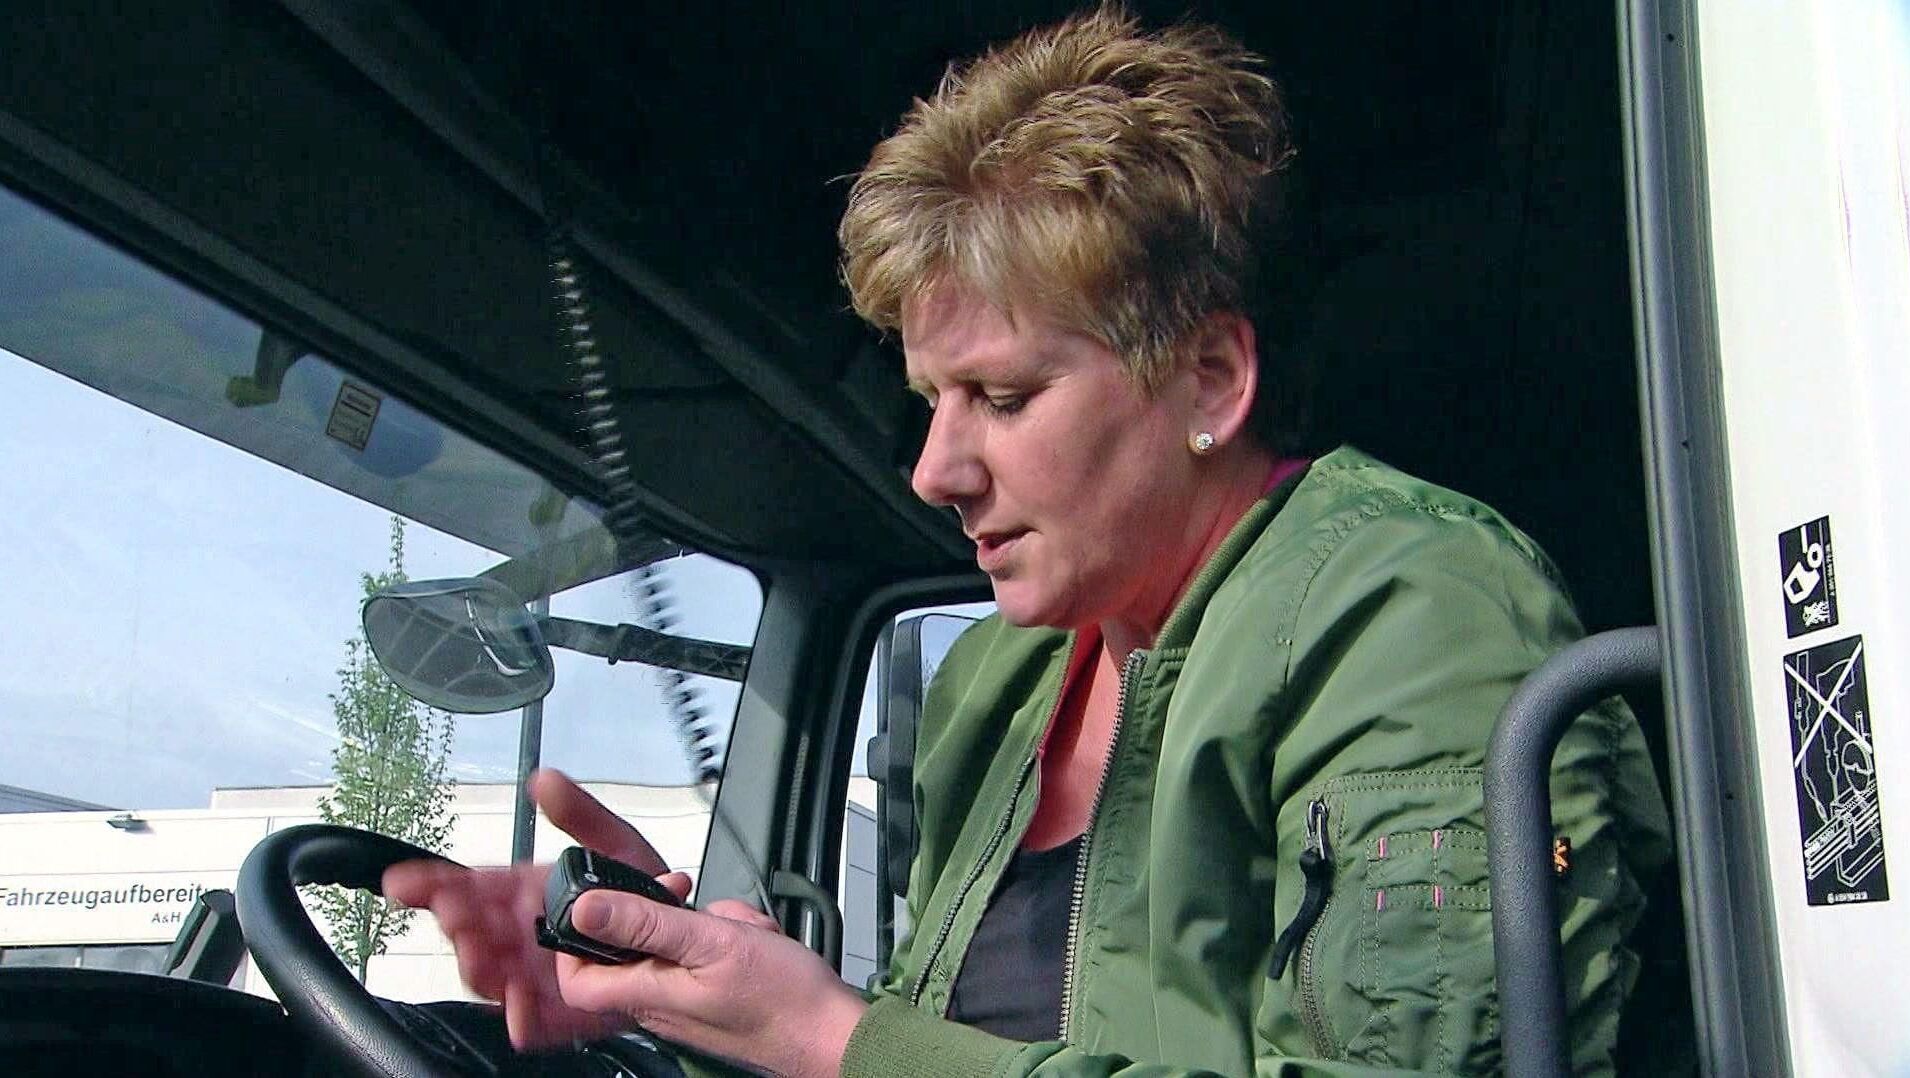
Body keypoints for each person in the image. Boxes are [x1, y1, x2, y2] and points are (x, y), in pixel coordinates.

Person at [385, 7, 1672, 1075]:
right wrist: (695, 992)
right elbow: (925, 1044)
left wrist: (833, 1038)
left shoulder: (1409, 610)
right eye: (932, 401)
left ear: (1212, 378)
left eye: (1001, 397)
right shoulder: (996, 682)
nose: (934, 470)